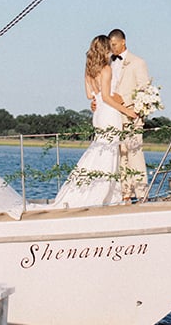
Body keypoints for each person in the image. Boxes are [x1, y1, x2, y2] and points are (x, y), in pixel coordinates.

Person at [54, 34, 137, 209]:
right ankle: (104, 196)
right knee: (108, 153)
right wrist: (127, 111)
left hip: (98, 113)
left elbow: (89, 95)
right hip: (109, 113)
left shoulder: (89, 69)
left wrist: (97, 99)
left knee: (99, 150)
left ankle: (96, 192)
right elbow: (106, 97)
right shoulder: (106, 69)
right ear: (105, 49)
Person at [108, 28, 150, 202]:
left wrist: (130, 106)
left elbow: (144, 89)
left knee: (135, 155)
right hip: (113, 115)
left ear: (123, 42)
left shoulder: (137, 62)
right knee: (121, 156)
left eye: (114, 44)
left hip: (131, 114)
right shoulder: (109, 62)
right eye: (110, 45)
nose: (112, 48)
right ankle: (125, 193)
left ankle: (142, 194)